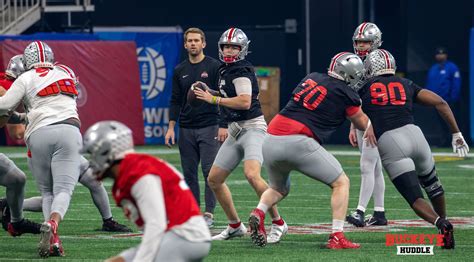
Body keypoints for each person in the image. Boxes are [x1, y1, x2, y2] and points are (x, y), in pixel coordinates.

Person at [247, 52, 373, 248]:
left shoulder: (312, 77)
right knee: (341, 182)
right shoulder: (345, 93)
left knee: (278, 188)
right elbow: (363, 123)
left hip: (270, 139)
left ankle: (259, 212)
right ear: (350, 74)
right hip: (298, 140)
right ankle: (337, 236)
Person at [0, 59, 131, 234]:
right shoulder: (17, 83)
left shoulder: (35, 78)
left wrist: (23, 116)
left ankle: (108, 221)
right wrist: (24, 117)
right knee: (53, 194)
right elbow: (15, 130)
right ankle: (16, 209)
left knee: (91, 180)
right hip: (45, 144)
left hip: (58, 139)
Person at [361, 49, 469, 249]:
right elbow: (440, 102)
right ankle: (443, 226)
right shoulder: (405, 83)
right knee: (433, 185)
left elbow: (351, 110)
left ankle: (441, 224)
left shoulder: (365, 87)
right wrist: (456, 134)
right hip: (417, 136)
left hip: (391, 141)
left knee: (415, 197)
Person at [193, 27, 287, 243]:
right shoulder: (226, 69)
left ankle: (279, 223)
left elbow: (244, 101)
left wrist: (214, 100)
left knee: (252, 175)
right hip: (236, 129)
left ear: (242, 49)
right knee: (214, 179)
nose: (229, 50)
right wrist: (211, 93)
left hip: (252, 127)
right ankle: (235, 226)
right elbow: (230, 95)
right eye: (226, 46)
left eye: (234, 47)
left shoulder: (240, 70)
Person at [81, 121, 211, 262]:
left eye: (94, 154)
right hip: (176, 236)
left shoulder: (138, 173)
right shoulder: (131, 169)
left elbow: (156, 226)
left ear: (107, 152)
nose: (93, 160)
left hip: (185, 236)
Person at [0, 41, 83, 257]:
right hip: (68, 128)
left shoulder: (25, 78)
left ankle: (53, 240)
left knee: (46, 192)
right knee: (63, 190)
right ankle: (53, 223)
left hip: (39, 134)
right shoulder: (66, 70)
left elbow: (4, 106)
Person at [165, 27, 225, 228]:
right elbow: (175, 100)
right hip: (187, 128)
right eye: (189, 40)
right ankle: (192, 213)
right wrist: (171, 127)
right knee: (189, 173)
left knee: (210, 173)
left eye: (196, 40)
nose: (193, 43)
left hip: (210, 125)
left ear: (204, 43)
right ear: (185, 44)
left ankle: (208, 213)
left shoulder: (215, 66)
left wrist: (223, 124)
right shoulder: (179, 70)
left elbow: (224, 96)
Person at [347, 22, 387, 227]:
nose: (361, 45)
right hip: (364, 118)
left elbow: (375, 97)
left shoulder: (379, 62)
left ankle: (360, 211)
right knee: (375, 168)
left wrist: (373, 122)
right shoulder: (358, 63)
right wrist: (353, 125)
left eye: (366, 42)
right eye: (359, 42)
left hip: (376, 118)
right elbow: (356, 98)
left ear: (375, 42)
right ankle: (379, 213)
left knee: (367, 165)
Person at [0, 55, 42, 237]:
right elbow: (16, 133)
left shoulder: (5, 84)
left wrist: (24, 117)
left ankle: (16, 223)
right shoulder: (7, 89)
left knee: (16, 178)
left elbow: (6, 113)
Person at [425, 47, 461, 146]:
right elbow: (429, 85)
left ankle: (455, 141)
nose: (440, 56)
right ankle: (444, 142)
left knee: (451, 122)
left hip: (449, 101)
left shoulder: (452, 67)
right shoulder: (433, 68)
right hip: (436, 102)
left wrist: (453, 99)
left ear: (446, 55)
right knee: (440, 123)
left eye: (442, 54)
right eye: (438, 54)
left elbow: (456, 84)